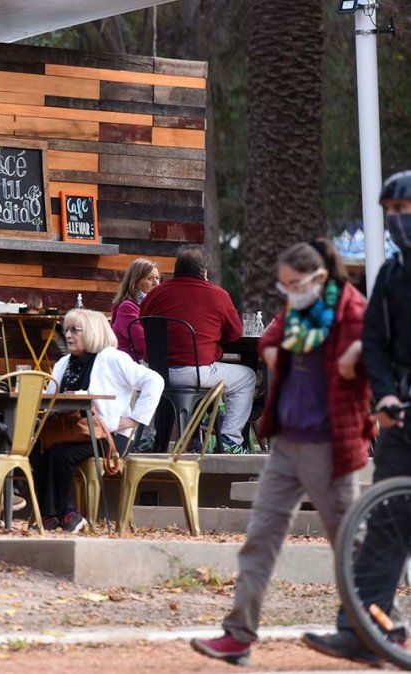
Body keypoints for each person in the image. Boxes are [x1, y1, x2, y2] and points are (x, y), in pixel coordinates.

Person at [190, 240, 372, 664]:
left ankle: (380, 625)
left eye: (297, 284)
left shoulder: (350, 310)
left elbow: (373, 355)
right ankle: (238, 635)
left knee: (349, 542)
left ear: (319, 279)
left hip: (330, 444)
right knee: (260, 538)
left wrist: (356, 358)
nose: (290, 292)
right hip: (287, 442)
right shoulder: (294, 311)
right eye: (285, 286)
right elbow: (270, 338)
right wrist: (276, 349)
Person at [302, 170, 411, 666]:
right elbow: (377, 346)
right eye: (390, 212)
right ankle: (363, 631)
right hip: (402, 415)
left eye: (404, 211)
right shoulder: (389, 275)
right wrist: (385, 398)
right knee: (387, 520)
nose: (395, 221)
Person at [34, 309, 163, 533]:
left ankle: (66, 513)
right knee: (38, 449)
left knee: (61, 454)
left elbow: (154, 380)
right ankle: (51, 514)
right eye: (66, 330)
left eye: (76, 330)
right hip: (72, 432)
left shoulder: (112, 358)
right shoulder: (63, 363)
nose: (69, 335)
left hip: (109, 436)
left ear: (93, 332)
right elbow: (51, 398)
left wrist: (135, 419)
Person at [139, 245, 255, 454]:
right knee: (247, 376)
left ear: (176, 269)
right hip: (193, 373)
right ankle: (230, 440)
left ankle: (147, 438)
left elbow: (144, 323)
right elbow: (235, 333)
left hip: (154, 371)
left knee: (148, 375)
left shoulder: (155, 294)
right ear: (204, 271)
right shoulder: (217, 295)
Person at [110, 258, 161, 359]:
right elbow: (143, 344)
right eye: (150, 279)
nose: (156, 283)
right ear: (135, 282)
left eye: (157, 278)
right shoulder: (127, 308)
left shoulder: (153, 305)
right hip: (131, 365)